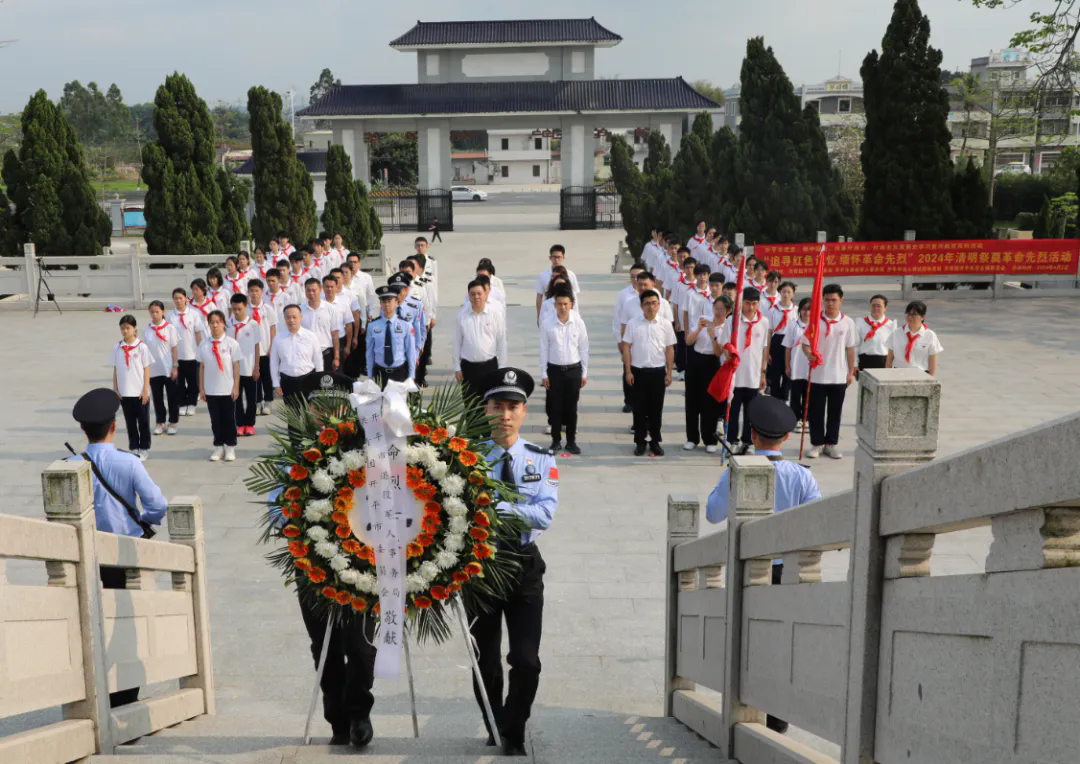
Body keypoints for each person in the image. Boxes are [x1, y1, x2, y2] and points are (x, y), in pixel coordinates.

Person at [704, 394, 820, 734]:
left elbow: (712, 513)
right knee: (782, 642)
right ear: (786, 437)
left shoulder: (738, 471)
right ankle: (778, 717)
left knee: (748, 639)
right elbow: (816, 520)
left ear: (752, 434)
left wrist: (730, 476)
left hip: (748, 568)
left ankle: (746, 712)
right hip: (788, 570)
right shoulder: (802, 476)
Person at [472, 367, 557, 757]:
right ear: (485, 409)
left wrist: (497, 508)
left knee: (527, 660)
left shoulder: (540, 458)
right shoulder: (467, 458)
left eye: (512, 407)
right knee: (485, 659)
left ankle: (514, 724)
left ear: (523, 411)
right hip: (480, 567)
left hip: (523, 565)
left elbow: (545, 514)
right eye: (497, 406)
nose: (504, 415)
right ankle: (497, 724)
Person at [68, 388, 169, 708]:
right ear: (114, 426)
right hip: (124, 554)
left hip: (86, 556)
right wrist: (142, 519)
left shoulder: (70, 464)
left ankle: (92, 692)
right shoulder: (130, 462)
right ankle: (125, 696)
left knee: (89, 622)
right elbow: (158, 505)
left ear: (82, 429)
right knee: (126, 624)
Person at [799, 284, 857, 460]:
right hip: (817, 375)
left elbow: (850, 349)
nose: (830, 303)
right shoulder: (815, 321)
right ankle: (817, 443)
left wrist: (850, 372)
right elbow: (805, 344)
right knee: (816, 412)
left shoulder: (848, 322)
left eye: (834, 300)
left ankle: (831, 444)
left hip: (838, 375)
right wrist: (809, 355)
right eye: (827, 300)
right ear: (822, 300)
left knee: (835, 412)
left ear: (841, 300)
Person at [621, 289, 676, 457]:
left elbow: (669, 349)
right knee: (638, 409)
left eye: (654, 303)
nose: (651, 307)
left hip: (658, 373)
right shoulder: (633, 323)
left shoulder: (665, 324)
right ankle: (640, 441)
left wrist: (669, 372)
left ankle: (655, 441)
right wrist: (628, 371)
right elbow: (626, 347)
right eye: (647, 303)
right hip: (638, 372)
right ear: (641, 306)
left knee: (656, 410)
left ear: (659, 305)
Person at [718, 288, 771, 454]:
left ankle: (748, 442)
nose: (751, 307)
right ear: (741, 304)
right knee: (733, 411)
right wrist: (729, 357)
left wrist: (763, 373)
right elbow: (724, 344)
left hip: (753, 375)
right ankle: (732, 440)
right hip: (736, 375)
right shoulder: (732, 321)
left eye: (754, 303)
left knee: (751, 412)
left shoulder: (764, 322)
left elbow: (764, 348)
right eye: (747, 303)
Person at [539, 283, 589, 455]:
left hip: (573, 370)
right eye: (559, 304)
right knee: (555, 407)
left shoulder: (578, 323)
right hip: (554, 370)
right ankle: (555, 441)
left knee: (571, 408)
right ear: (554, 305)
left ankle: (571, 441)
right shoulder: (547, 324)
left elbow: (584, 348)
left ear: (571, 304)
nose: (562, 307)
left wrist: (584, 372)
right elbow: (544, 349)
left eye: (565, 304)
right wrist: (544, 373)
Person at [683, 276, 727, 453]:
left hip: (712, 363)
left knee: (709, 403)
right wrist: (700, 329)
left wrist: (712, 334)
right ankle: (692, 438)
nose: (718, 312)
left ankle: (710, 439)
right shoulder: (703, 319)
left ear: (728, 311)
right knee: (692, 401)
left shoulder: (727, 327)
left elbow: (718, 352)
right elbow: (688, 341)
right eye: (716, 308)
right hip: (695, 360)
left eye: (722, 309)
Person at [197, 310, 241, 462]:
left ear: (223, 324)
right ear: (208, 325)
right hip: (211, 389)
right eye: (212, 322)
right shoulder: (204, 344)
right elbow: (201, 367)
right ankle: (218, 445)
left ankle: (230, 446)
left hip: (227, 389)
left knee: (229, 419)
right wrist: (201, 388)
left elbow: (236, 366)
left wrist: (236, 387)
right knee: (215, 420)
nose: (215, 325)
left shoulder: (231, 344)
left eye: (218, 322)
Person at [454, 278, 508, 399]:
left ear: (486, 294)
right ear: (468, 295)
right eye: (472, 294)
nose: (476, 297)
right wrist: (457, 367)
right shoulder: (461, 316)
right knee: (470, 404)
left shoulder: (495, 314)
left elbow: (502, 341)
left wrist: (502, 367)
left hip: (489, 366)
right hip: (468, 368)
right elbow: (457, 342)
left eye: (479, 294)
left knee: (489, 402)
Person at [111, 314, 153, 460]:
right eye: (122, 328)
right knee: (130, 422)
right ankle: (134, 447)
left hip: (139, 392)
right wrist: (115, 388)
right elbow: (116, 369)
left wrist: (145, 390)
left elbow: (146, 368)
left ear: (134, 328)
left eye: (128, 328)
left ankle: (144, 448)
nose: (125, 331)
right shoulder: (117, 348)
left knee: (143, 422)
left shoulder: (141, 347)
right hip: (124, 392)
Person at [365, 285, 417, 387]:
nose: (387, 304)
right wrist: (370, 374)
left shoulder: (406, 325)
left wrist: (411, 375)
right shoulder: (372, 325)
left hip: (399, 372)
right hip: (379, 372)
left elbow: (411, 351)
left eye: (389, 301)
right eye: (383, 301)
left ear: (396, 302)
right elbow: (370, 352)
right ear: (380, 303)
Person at [271, 304, 323, 402]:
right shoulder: (278, 339)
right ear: (284, 319)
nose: (291, 320)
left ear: (301, 317)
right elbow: (274, 362)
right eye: (288, 317)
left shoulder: (311, 336)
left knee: (309, 410)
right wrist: (276, 384)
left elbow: (318, 360)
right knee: (291, 411)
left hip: (308, 379)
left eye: (294, 317)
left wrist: (319, 381)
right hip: (287, 381)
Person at [143, 300, 181, 436]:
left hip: (168, 368)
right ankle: (160, 421)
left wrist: (175, 366)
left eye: (157, 312)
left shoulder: (170, 328)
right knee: (157, 397)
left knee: (172, 397)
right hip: (154, 370)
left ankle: (173, 422)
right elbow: (145, 351)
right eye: (152, 312)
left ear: (163, 312)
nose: (154, 314)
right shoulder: (147, 330)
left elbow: (174, 348)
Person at [168, 288, 206, 418]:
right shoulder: (170, 316)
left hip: (192, 354)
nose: (178, 300)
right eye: (176, 298)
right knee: (179, 382)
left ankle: (192, 404)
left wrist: (200, 350)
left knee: (193, 382)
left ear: (185, 298)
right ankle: (182, 403)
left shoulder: (194, 314)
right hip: (177, 355)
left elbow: (198, 334)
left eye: (180, 298)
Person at [227, 294, 261, 437]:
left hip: (249, 367)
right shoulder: (228, 324)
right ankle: (240, 424)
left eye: (239, 309)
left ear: (246, 307)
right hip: (233, 369)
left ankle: (250, 424)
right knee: (236, 398)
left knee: (251, 398)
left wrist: (257, 367)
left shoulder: (253, 325)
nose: (236, 312)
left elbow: (257, 346)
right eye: (234, 309)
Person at [887, 300, 943, 375]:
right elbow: (889, 359)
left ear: (923, 317)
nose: (910, 317)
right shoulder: (896, 333)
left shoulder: (930, 335)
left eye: (914, 314)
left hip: (921, 374)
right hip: (898, 373)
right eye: (908, 313)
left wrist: (932, 378)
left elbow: (932, 360)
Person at [247, 278, 278, 416]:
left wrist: (272, 346)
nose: (254, 293)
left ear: (261, 292)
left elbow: (272, 329)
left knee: (267, 377)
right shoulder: (246, 310)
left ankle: (268, 401)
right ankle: (257, 402)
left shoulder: (268, 308)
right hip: (251, 351)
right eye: (251, 291)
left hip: (265, 349)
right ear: (248, 292)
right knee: (254, 378)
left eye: (257, 290)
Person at [784, 298, 813, 432]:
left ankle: (806, 419)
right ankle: (795, 419)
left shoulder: (816, 327)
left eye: (809, 309)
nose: (806, 312)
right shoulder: (793, 326)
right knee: (795, 395)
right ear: (799, 310)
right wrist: (787, 366)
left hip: (810, 366)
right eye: (804, 309)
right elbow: (788, 347)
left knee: (808, 395)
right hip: (796, 366)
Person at [300, 277, 342, 372]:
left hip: (325, 354)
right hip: (305, 355)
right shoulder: (300, 310)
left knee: (325, 381)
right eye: (308, 290)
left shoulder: (330, 309)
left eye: (314, 290)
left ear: (320, 289)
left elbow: (335, 334)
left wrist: (336, 357)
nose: (311, 293)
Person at [765, 281, 798, 401]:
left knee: (787, 371)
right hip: (777, 341)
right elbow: (769, 332)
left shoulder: (796, 310)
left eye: (789, 292)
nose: (786, 294)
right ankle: (774, 398)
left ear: (793, 294)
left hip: (791, 342)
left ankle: (784, 398)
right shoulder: (773, 310)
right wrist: (767, 351)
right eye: (783, 292)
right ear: (779, 293)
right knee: (775, 372)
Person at [534, 245, 582, 322]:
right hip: (549, 314)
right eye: (554, 257)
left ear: (563, 257)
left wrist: (577, 317)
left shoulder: (570, 275)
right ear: (550, 258)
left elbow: (574, 298)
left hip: (567, 314)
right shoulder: (543, 275)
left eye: (559, 257)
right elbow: (539, 296)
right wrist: (539, 316)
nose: (556, 260)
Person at [857, 295, 897, 373]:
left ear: (885, 308)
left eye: (879, 306)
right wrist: (854, 364)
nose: (875, 308)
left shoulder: (890, 325)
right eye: (873, 305)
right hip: (864, 361)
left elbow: (894, 348)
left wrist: (891, 366)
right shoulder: (861, 323)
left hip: (883, 362)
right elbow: (855, 345)